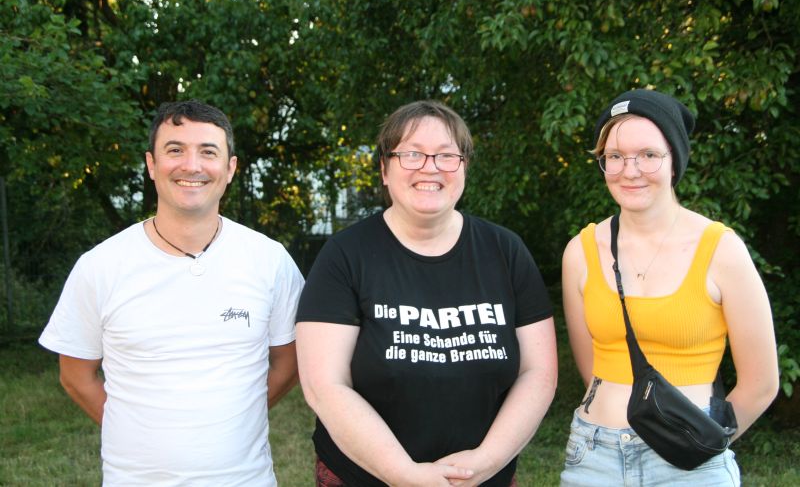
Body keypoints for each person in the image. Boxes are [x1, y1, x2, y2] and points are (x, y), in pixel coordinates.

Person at [39, 100, 304, 486]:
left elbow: (289, 361)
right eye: (175, 150)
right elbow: (75, 376)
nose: (191, 165)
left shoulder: (270, 261)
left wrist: (235, 420)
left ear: (230, 169)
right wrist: (134, 431)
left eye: (208, 152)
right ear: (151, 165)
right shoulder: (101, 266)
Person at [296, 100, 558, 487]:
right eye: (412, 154)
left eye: (446, 156)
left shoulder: (505, 251)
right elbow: (324, 385)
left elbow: (539, 373)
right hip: (365, 477)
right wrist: (402, 474)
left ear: (464, 167)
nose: (430, 167)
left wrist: (482, 464)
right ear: (385, 170)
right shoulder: (345, 255)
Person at [560, 89, 779, 486]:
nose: (631, 170)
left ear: (674, 158)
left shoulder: (721, 249)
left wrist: (702, 444)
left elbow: (761, 383)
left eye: (648, 154)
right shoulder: (581, 251)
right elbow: (592, 369)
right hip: (593, 456)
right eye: (615, 156)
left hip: (689, 463)